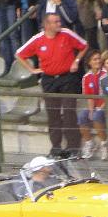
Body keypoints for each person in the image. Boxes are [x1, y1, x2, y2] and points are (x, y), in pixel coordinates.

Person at [16, 12, 87, 156]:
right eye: (56, 22)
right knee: (53, 114)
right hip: (49, 79)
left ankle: (74, 148)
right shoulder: (38, 39)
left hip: (67, 78)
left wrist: (76, 61)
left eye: (59, 21)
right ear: (47, 25)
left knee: (69, 113)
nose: (59, 24)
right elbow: (19, 54)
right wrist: (32, 69)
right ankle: (56, 147)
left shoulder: (66, 34)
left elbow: (84, 45)